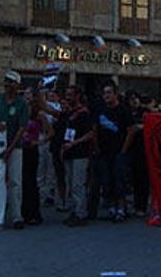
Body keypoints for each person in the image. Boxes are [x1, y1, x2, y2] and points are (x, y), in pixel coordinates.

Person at [0, 70, 29, 229]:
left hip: (14, 147)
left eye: (11, 82)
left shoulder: (22, 104)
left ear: (17, 85)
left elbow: (22, 128)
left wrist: (10, 147)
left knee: (15, 181)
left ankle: (17, 216)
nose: (8, 85)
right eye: (6, 81)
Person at [94, 81, 135, 223]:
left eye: (109, 93)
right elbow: (95, 129)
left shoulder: (124, 110)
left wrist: (124, 149)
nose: (106, 96)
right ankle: (111, 208)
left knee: (119, 181)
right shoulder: (101, 110)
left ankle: (121, 208)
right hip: (104, 151)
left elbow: (131, 131)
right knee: (107, 181)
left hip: (119, 151)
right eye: (104, 93)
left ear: (115, 94)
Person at [61, 85, 95, 227]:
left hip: (80, 153)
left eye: (70, 95)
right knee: (70, 183)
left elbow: (90, 133)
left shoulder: (84, 113)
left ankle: (81, 213)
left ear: (77, 96)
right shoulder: (70, 112)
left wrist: (74, 143)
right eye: (67, 94)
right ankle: (74, 210)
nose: (68, 97)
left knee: (78, 184)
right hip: (69, 152)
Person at [22, 88, 50, 225]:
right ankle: (23, 211)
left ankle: (33, 213)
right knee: (22, 181)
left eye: (28, 94)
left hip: (32, 149)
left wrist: (38, 141)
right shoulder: (22, 112)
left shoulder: (39, 114)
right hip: (21, 148)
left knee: (31, 181)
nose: (26, 96)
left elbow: (50, 132)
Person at [124, 91, 150, 216]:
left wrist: (140, 127)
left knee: (142, 178)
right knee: (133, 178)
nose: (134, 101)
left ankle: (142, 206)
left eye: (136, 98)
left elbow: (150, 125)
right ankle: (135, 203)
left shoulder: (145, 112)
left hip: (143, 149)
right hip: (130, 148)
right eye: (131, 99)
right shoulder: (126, 112)